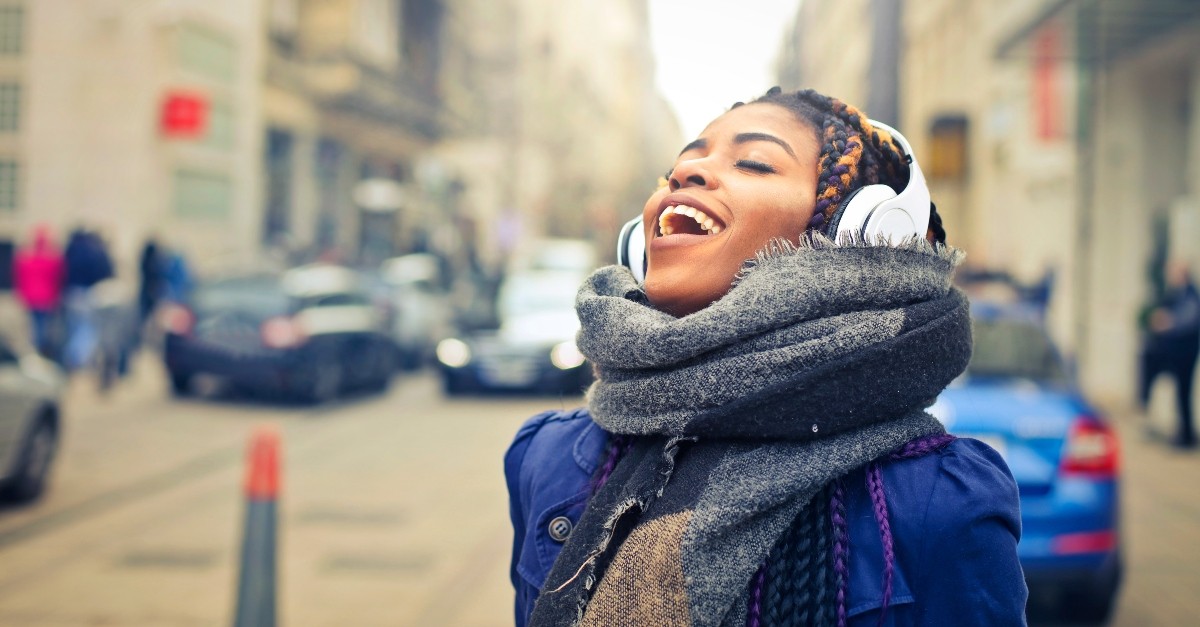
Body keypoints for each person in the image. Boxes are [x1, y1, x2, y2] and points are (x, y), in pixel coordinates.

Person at [505, 87, 1026, 626]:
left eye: (754, 162)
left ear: (852, 230)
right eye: (679, 166)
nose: (686, 173)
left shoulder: (937, 502)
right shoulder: (545, 459)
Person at [1138, 259, 1200, 448]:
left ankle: (1186, 435)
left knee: (1183, 393)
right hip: (1175, 352)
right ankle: (1182, 431)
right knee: (1178, 392)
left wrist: (1167, 321)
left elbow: (1187, 320)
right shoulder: (1173, 294)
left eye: (1174, 273)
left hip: (1185, 354)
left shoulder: (1191, 295)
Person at [62, 227, 115, 371]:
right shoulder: (94, 251)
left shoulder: (69, 250)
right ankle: (76, 359)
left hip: (70, 292)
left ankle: (73, 358)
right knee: (86, 329)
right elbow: (103, 272)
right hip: (87, 293)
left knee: (73, 328)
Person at [13, 225, 65, 358]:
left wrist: (21, 294)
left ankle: (37, 350)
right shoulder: (53, 260)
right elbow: (57, 279)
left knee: (35, 325)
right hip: (46, 298)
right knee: (43, 326)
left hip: (31, 298)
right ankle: (41, 350)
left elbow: (20, 278)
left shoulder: (26, 259)